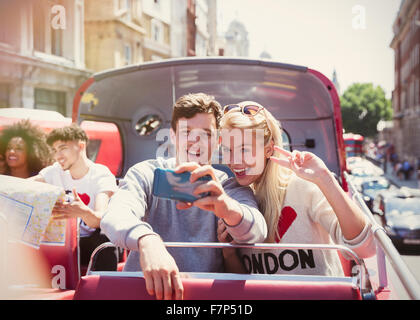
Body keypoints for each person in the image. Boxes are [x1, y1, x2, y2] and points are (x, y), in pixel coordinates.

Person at [100, 93, 267, 300]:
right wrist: (148, 240)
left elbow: (257, 231)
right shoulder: (147, 173)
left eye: (206, 134)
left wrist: (227, 207)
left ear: (218, 140)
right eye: (186, 132)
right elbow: (115, 214)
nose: (195, 141)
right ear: (172, 136)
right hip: (143, 293)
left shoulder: (228, 186)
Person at [217, 101, 376, 276]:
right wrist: (229, 253)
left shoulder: (303, 186)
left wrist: (324, 178)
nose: (234, 161)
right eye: (227, 150)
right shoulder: (238, 205)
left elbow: (365, 249)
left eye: (244, 150)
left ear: (269, 150)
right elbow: (244, 284)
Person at [30, 124, 118, 271]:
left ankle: (103, 290)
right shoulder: (54, 171)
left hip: (89, 240)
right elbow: (23, 185)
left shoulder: (101, 174)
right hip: (60, 240)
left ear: (81, 146)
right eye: (55, 150)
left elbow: (99, 219)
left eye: (63, 148)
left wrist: (82, 212)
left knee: (104, 238)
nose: (58, 156)